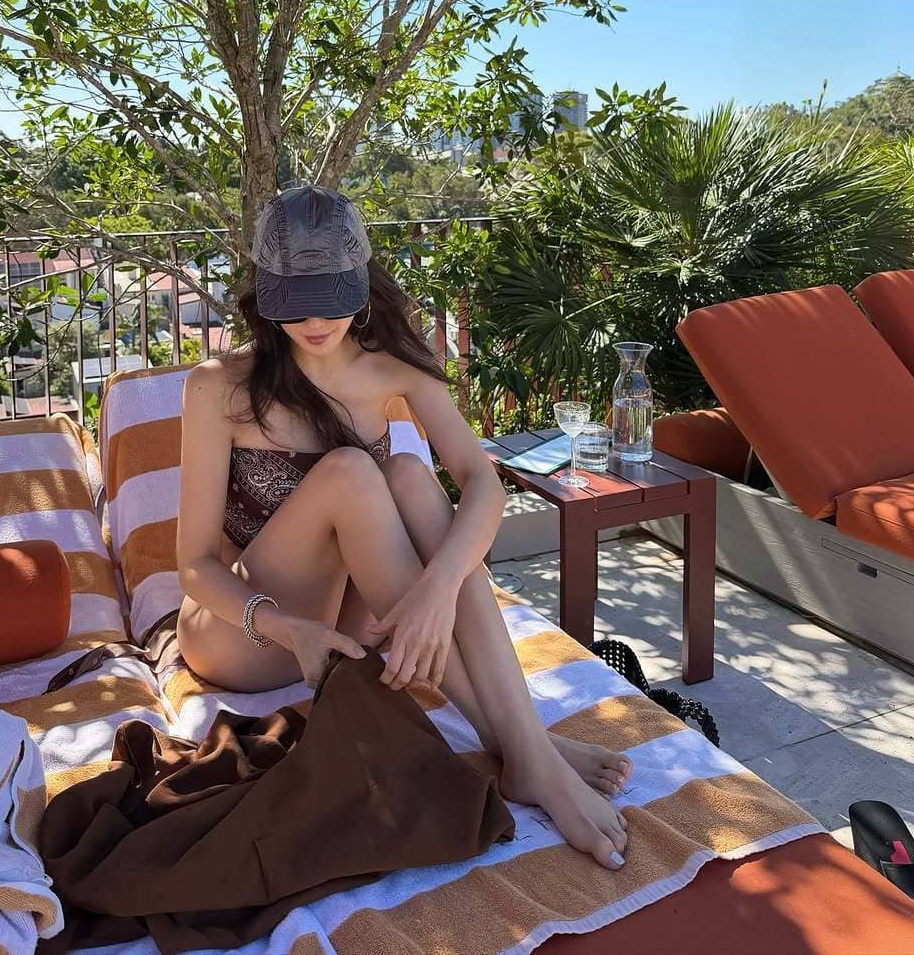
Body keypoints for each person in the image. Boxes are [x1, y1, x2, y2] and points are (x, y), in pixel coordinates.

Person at [177, 186, 630, 870]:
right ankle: (526, 748)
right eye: (295, 301)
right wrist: (290, 628)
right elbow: (193, 565)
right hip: (248, 633)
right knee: (353, 471)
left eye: (330, 297)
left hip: (351, 623)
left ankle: (525, 748)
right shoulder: (220, 385)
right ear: (266, 295)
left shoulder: (392, 365)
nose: (314, 320)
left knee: (413, 478)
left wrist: (439, 589)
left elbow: (482, 481)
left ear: (359, 282)